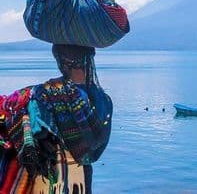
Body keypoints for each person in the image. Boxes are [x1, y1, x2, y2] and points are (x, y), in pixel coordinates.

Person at [0, 44, 113, 193]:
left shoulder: (42, 94)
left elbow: (16, 112)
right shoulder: (103, 102)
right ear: (89, 59)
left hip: (49, 178)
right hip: (78, 180)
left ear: (61, 62)